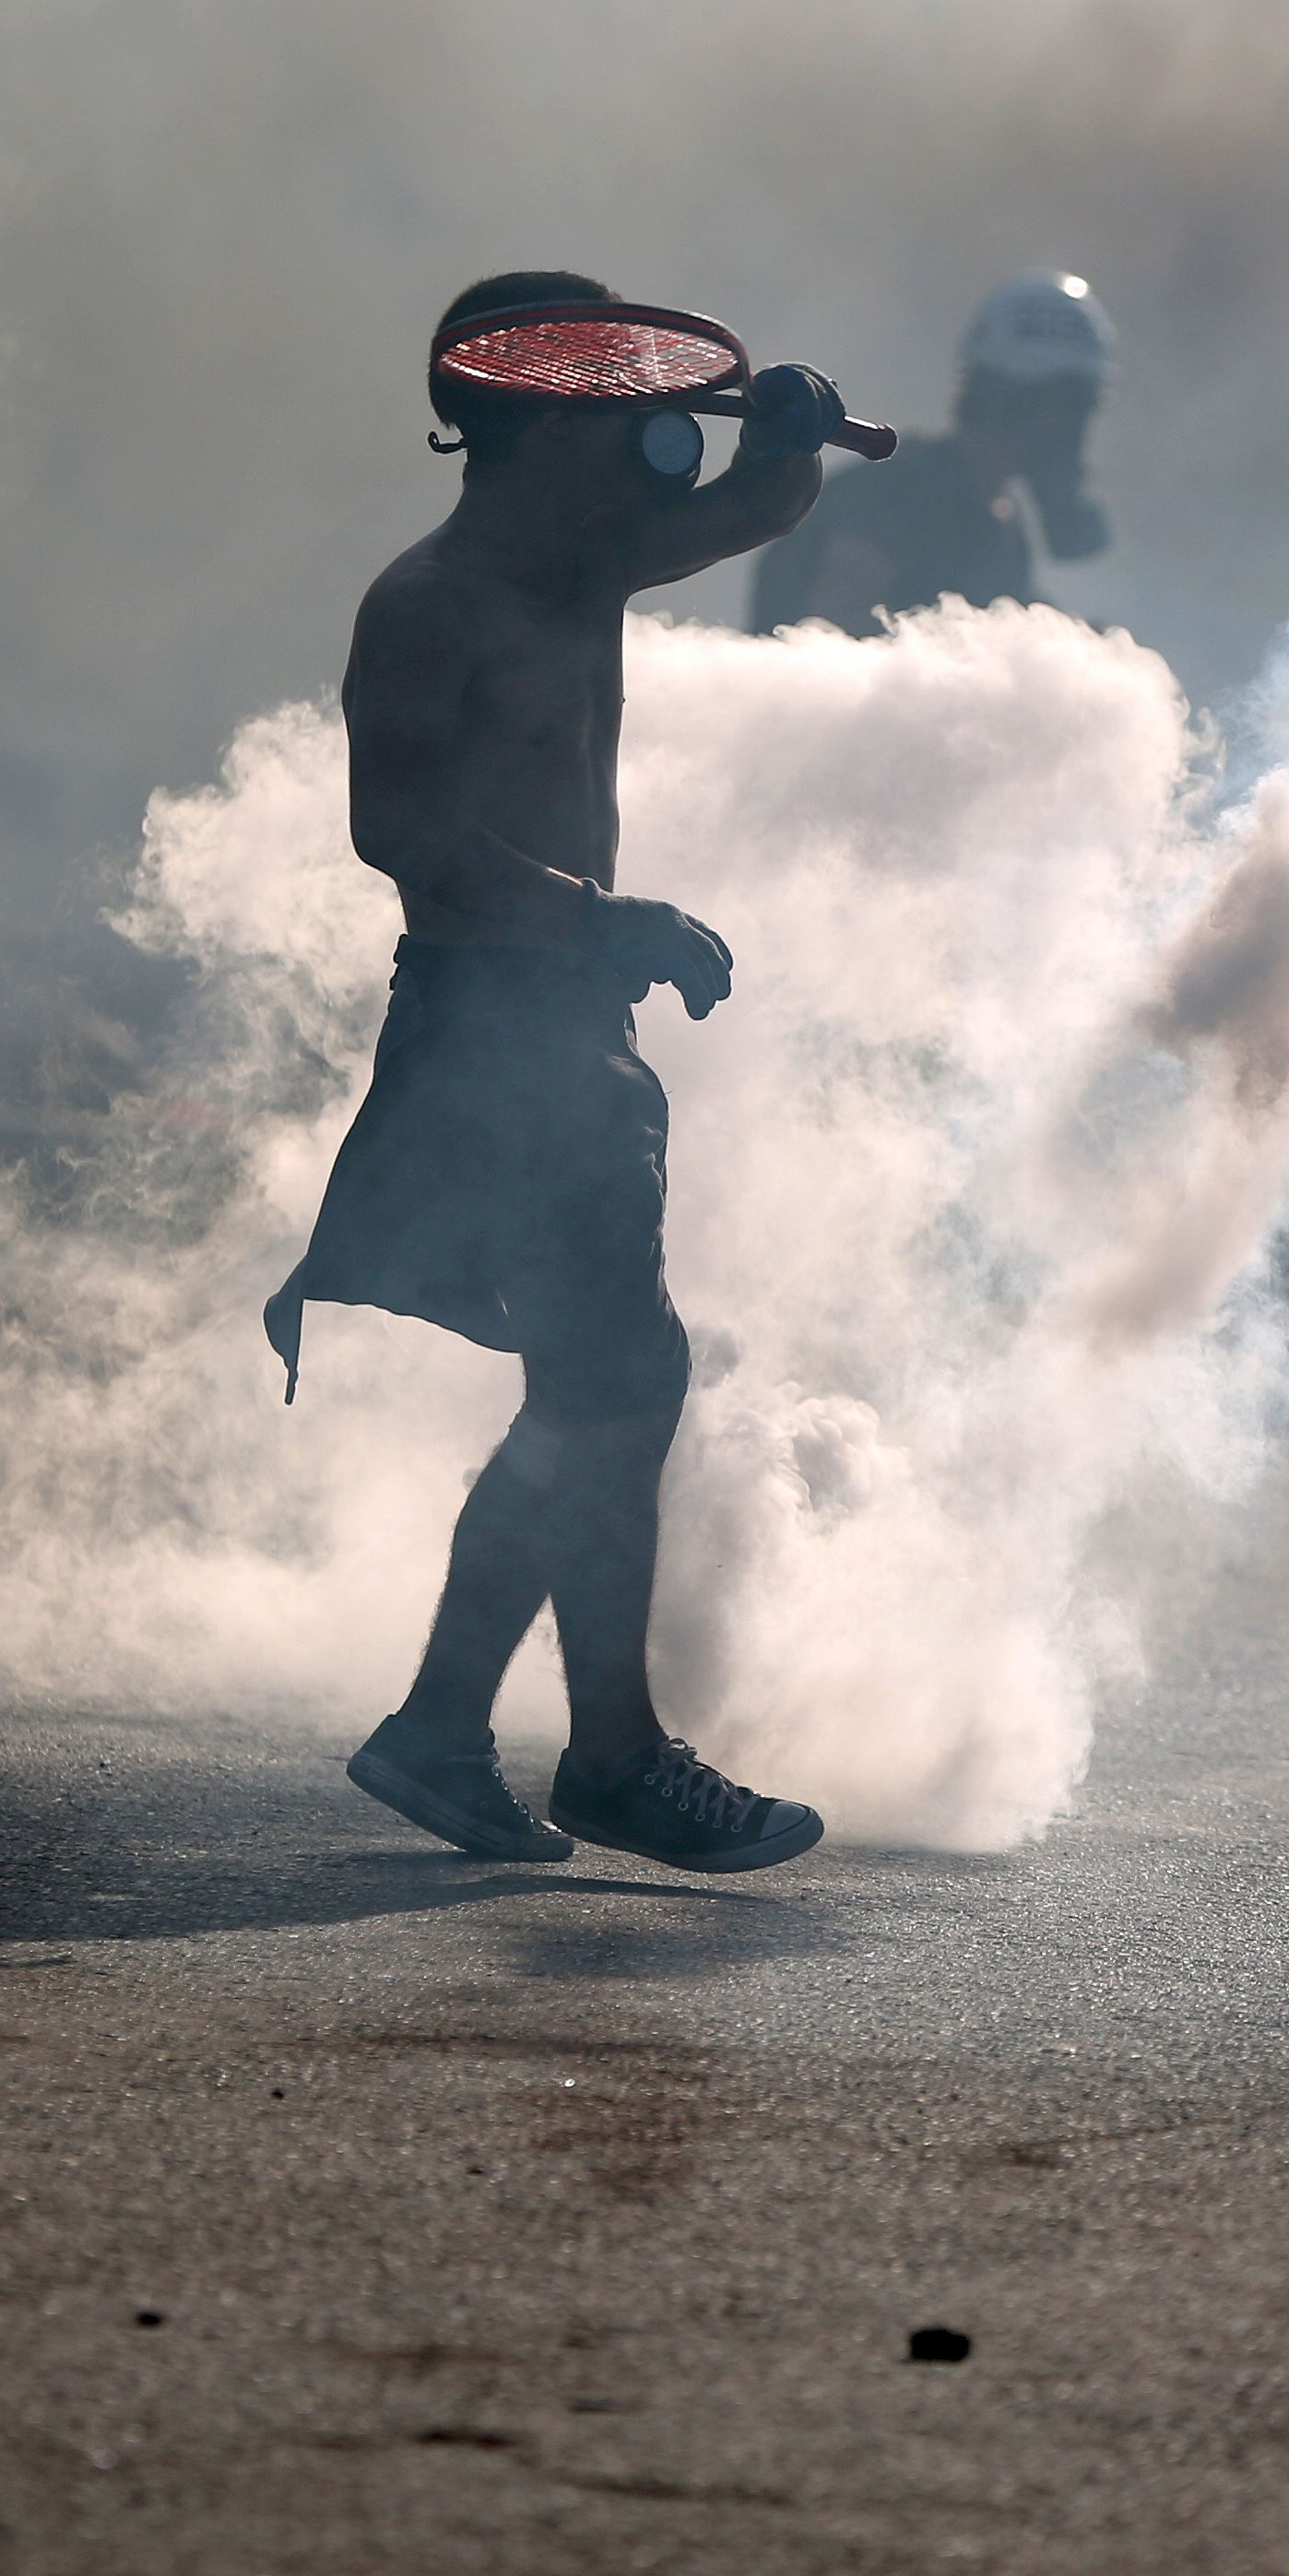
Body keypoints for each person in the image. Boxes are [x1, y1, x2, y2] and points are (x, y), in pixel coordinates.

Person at [265, 270, 851, 1873]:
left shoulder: (579, 563)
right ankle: (599, 1755)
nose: (645, 442)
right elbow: (405, 837)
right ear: (520, 426)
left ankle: (458, 1733)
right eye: (607, 410)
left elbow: (748, 513)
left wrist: (789, 443)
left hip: (563, 1030)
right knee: (617, 1376)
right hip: (490, 1022)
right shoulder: (434, 599)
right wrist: (611, 919)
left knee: (603, 1384)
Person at [751, 269, 1110, 633]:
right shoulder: (896, 496)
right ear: (1040, 413)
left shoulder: (1000, 521)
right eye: (1071, 417)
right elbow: (820, 644)